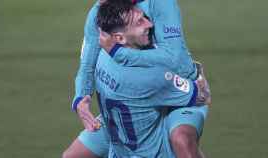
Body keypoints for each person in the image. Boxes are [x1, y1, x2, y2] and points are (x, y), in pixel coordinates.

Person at [63, 0, 210, 158]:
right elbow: (87, 64)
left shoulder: (161, 3)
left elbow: (177, 61)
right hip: (134, 101)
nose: (150, 24)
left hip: (176, 88)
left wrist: (121, 55)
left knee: (182, 140)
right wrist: (81, 97)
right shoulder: (101, 12)